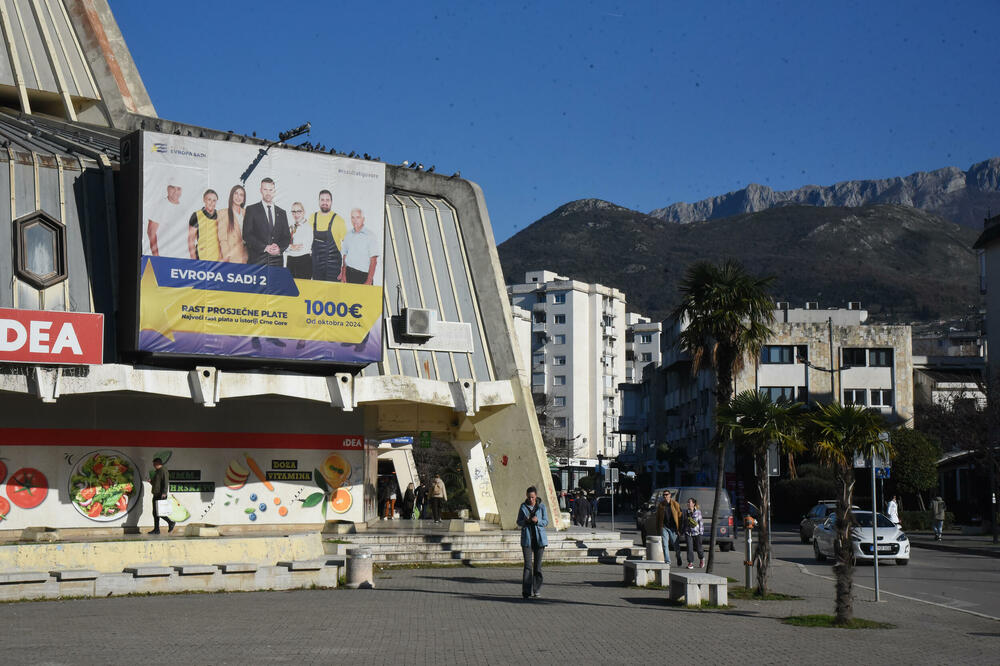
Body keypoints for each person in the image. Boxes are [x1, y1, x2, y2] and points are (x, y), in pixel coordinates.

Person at [243, 177, 290, 266]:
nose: (268, 193)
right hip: (257, 260)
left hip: (277, 261)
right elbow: (246, 235)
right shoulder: (251, 209)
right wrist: (265, 247)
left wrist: (279, 248)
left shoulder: (282, 213)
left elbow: (287, 237)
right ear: (260, 190)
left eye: (270, 190)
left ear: (274, 191)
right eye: (265, 189)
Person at [516, 486, 548, 599]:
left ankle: (537, 589)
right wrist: (525, 521)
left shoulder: (542, 506)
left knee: (537, 567)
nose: (531, 500)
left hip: (539, 540)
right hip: (527, 540)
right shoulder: (523, 507)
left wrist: (537, 520)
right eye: (529, 497)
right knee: (528, 566)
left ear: (536, 496)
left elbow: (546, 521)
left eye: (533, 497)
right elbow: (518, 522)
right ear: (526, 496)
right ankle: (526, 591)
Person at [145, 178, 187, 258]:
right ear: (168, 188)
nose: (175, 192)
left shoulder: (184, 208)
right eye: (172, 188)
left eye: (178, 188)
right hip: (165, 255)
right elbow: (151, 232)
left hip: (181, 256)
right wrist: (156, 257)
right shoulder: (160, 206)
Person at [310, 190, 346, 281]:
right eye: (322, 200)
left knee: (333, 294)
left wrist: (344, 269)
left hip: (333, 267)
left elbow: (347, 247)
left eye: (327, 200)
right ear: (318, 201)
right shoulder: (312, 218)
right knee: (317, 294)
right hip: (316, 266)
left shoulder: (339, 220)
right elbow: (307, 241)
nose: (325, 202)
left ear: (331, 202)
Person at [338, 208, 380, 285]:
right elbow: (344, 256)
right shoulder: (348, 235)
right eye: (353, 217)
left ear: (363, 219)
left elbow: (373, 261)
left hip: (363, 276)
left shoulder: (370, 236)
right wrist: (343, 274)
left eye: (358, 217)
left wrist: (369, 281)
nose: (355, 220)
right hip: (348, 274)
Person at [187, 189, 221, 260]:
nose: (211, 203)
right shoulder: (196, 215)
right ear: (204, 200)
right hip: (201, 257)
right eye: (209, 199)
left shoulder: (220, 216)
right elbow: (191, 240)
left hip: (217, 259)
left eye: (214, 200)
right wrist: (194, 260)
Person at [217, 184, 248, 263]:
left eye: (241, 195)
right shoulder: (223, 213)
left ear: (244, 199)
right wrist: (226, 256)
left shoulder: (247, 213)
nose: (238, 197)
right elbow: (222, 239)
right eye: (236, 193)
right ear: (231, 195)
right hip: (231, 255)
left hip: (245, 255)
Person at [284, 202, 312, 278]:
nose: (296, 214)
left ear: (304, 212)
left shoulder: (308, 227)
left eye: (299, 211)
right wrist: (290, 247)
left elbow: (300, 248)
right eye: (293, 211)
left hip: (303, 261)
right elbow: (284, 245)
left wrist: (288, 247)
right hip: (290, 261)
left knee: (303, 288)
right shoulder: (291, 227)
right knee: (290, 287)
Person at [656, 489, 684, 566]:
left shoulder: (675, 504)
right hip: (664, 527)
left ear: (670, 495)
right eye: (664, 495)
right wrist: (658, 528)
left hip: (673, 528)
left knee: (675, 545)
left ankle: (678, 557)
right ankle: (667, 561)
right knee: (665, 544)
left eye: (667, 494)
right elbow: (658, 517)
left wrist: (679, 529)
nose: (665, 496)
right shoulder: (661, 505)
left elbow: (680, 517)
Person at [149, 457, 175, 534]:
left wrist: (164, 492)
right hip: (156, 494)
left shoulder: (163, 470)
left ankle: (170, 522)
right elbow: (156, 483)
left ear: (158, 463)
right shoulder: (157, 471)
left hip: (161, 495)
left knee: (159, 512)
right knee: (155, 513)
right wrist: (151, 482)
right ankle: (156, 529)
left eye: (154, 464)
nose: (153, 465)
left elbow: (166, 482)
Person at [684, 497, 704, 569]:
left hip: (697, 533)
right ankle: (690, 563)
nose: (688, 504)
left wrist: (701, 533)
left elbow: (700, 522)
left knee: (699, 549)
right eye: (688, 502)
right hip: (688, 533)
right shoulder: (686, 512)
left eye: (690, 502)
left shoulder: (698, 512)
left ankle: (701, 559)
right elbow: (684, 522)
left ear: (693, 504)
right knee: (689, 548)